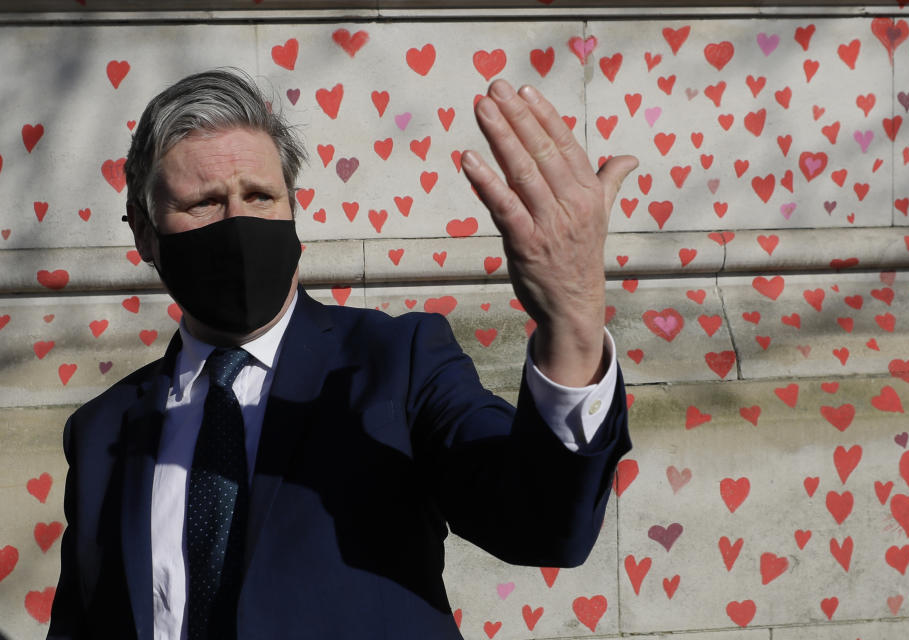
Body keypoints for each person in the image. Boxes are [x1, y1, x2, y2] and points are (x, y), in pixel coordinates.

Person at [48, 68, 637, 639]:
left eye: (259, 196)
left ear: (293, 209)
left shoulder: (395, 361)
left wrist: (573, 327)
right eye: (203, 202)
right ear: (146, 235)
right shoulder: (103, 430)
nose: (237, 221)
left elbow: (540, 523)